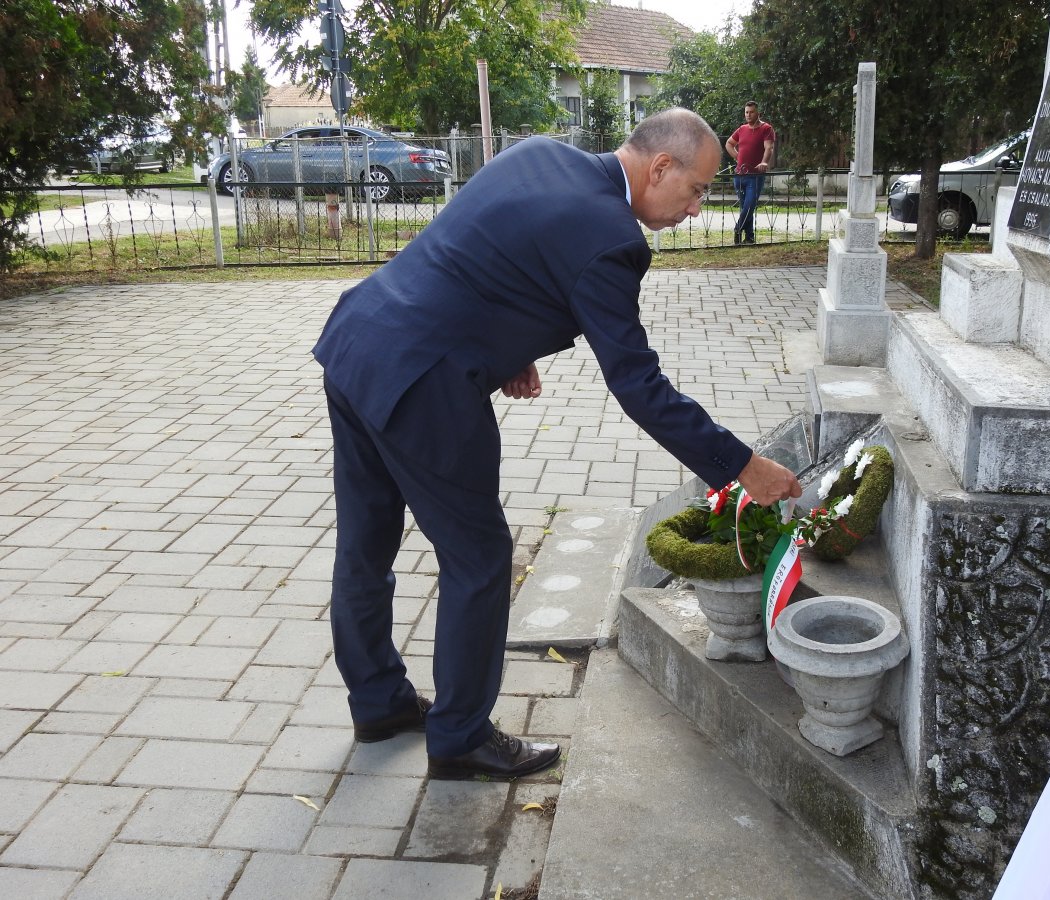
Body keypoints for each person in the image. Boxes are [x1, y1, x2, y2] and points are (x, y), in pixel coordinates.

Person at [311, 108, 804, 781]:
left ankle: (377, 702)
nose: (694, 210)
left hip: (358, 340)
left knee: (365, 544)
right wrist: (742, 467)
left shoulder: (539, 151)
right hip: (423, 385)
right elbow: (638, 385)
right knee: (479, 558)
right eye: (694, 192)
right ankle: (458, 737)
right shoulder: (611, 238)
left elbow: (476, 252)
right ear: (660, 167)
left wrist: (504, 344)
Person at [724, 101, 776, 245]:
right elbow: (729, 143)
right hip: (739, 175)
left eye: (751, 112)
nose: (748, 115)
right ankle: (750, 237)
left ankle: (738, 228)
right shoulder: (742, 129)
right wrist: (737, 157)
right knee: (745, 207)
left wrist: (764, 162)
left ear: (758, 113)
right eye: (746, 112)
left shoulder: (766, 128)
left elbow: (769, 148)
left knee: (749, 205)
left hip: (755, 176)